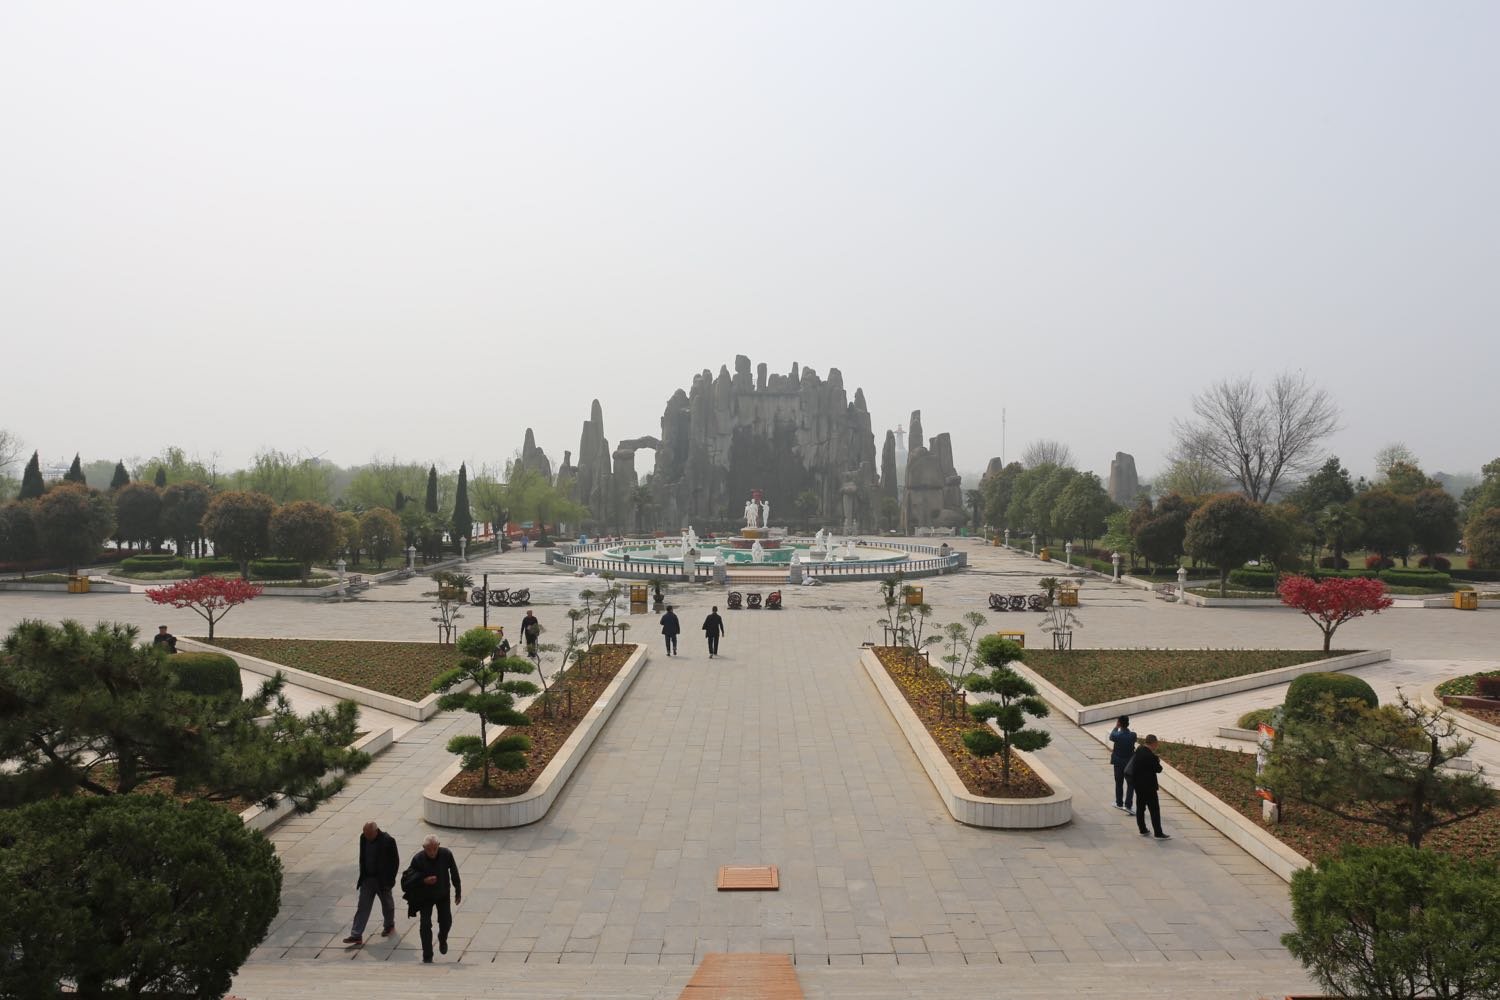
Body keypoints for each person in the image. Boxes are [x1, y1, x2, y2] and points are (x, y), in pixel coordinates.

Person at [343, 821, 399, 946]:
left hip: (382, 881)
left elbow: (395, 862)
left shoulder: (388, 841)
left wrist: (390, 881)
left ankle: (389, 925)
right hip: (367, 879)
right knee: (363, 907)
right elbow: (363, 857)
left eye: (369, 834)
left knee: (387, 905)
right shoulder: (363, 838)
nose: (367, 836)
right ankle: (356, 935)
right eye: (365, 834)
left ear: (376, 831)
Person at [407, 835, 461, 963]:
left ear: (439, 846)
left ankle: (442, 938)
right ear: (424, 848)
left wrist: (458, 891)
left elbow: (454, 872)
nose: (432, 852)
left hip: (443, 894)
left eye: (435, 849)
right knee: (425, 924)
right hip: (425, 897)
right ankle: (427, 955)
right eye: (429, 849)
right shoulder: (418, 859)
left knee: (446, 921)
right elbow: (409, 877)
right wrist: (424, 880)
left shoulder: (446, 854)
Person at [1127, 734, 1169, 839]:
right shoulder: (1151, 756)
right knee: (1154, 810)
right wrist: (1157, 760)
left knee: (1140, 808)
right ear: (1153, 743)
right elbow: (1159, 769)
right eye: (1156, 744)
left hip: (1138, 785)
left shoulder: (1139, 749)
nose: (1157, 746)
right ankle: (1158, 833)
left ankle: (1142, 829)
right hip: (1149, 787)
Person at [1108, 715, 1137, 814]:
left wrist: (1116, 727)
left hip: (1118, 762)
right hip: (1129, 763)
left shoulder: (1117, 736)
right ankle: (1128, 805)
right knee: (1130, 784)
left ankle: (1119, 803)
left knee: (1119, 783)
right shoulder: (1133, 735)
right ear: (1128, 724)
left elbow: (1111, 736)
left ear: (1119, 723)